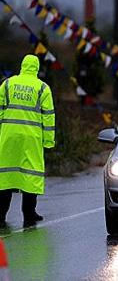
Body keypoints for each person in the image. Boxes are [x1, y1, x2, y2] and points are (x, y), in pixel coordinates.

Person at [0, 54, 55, 228]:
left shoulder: (7, 84)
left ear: (22, 66)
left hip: (9, 135)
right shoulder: (42, 88)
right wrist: (48, 141)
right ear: (37, 69)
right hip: (32, 137)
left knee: (6, 175)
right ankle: (29, 213)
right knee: (31, 175)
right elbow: (48, 117)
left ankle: (1, 215)